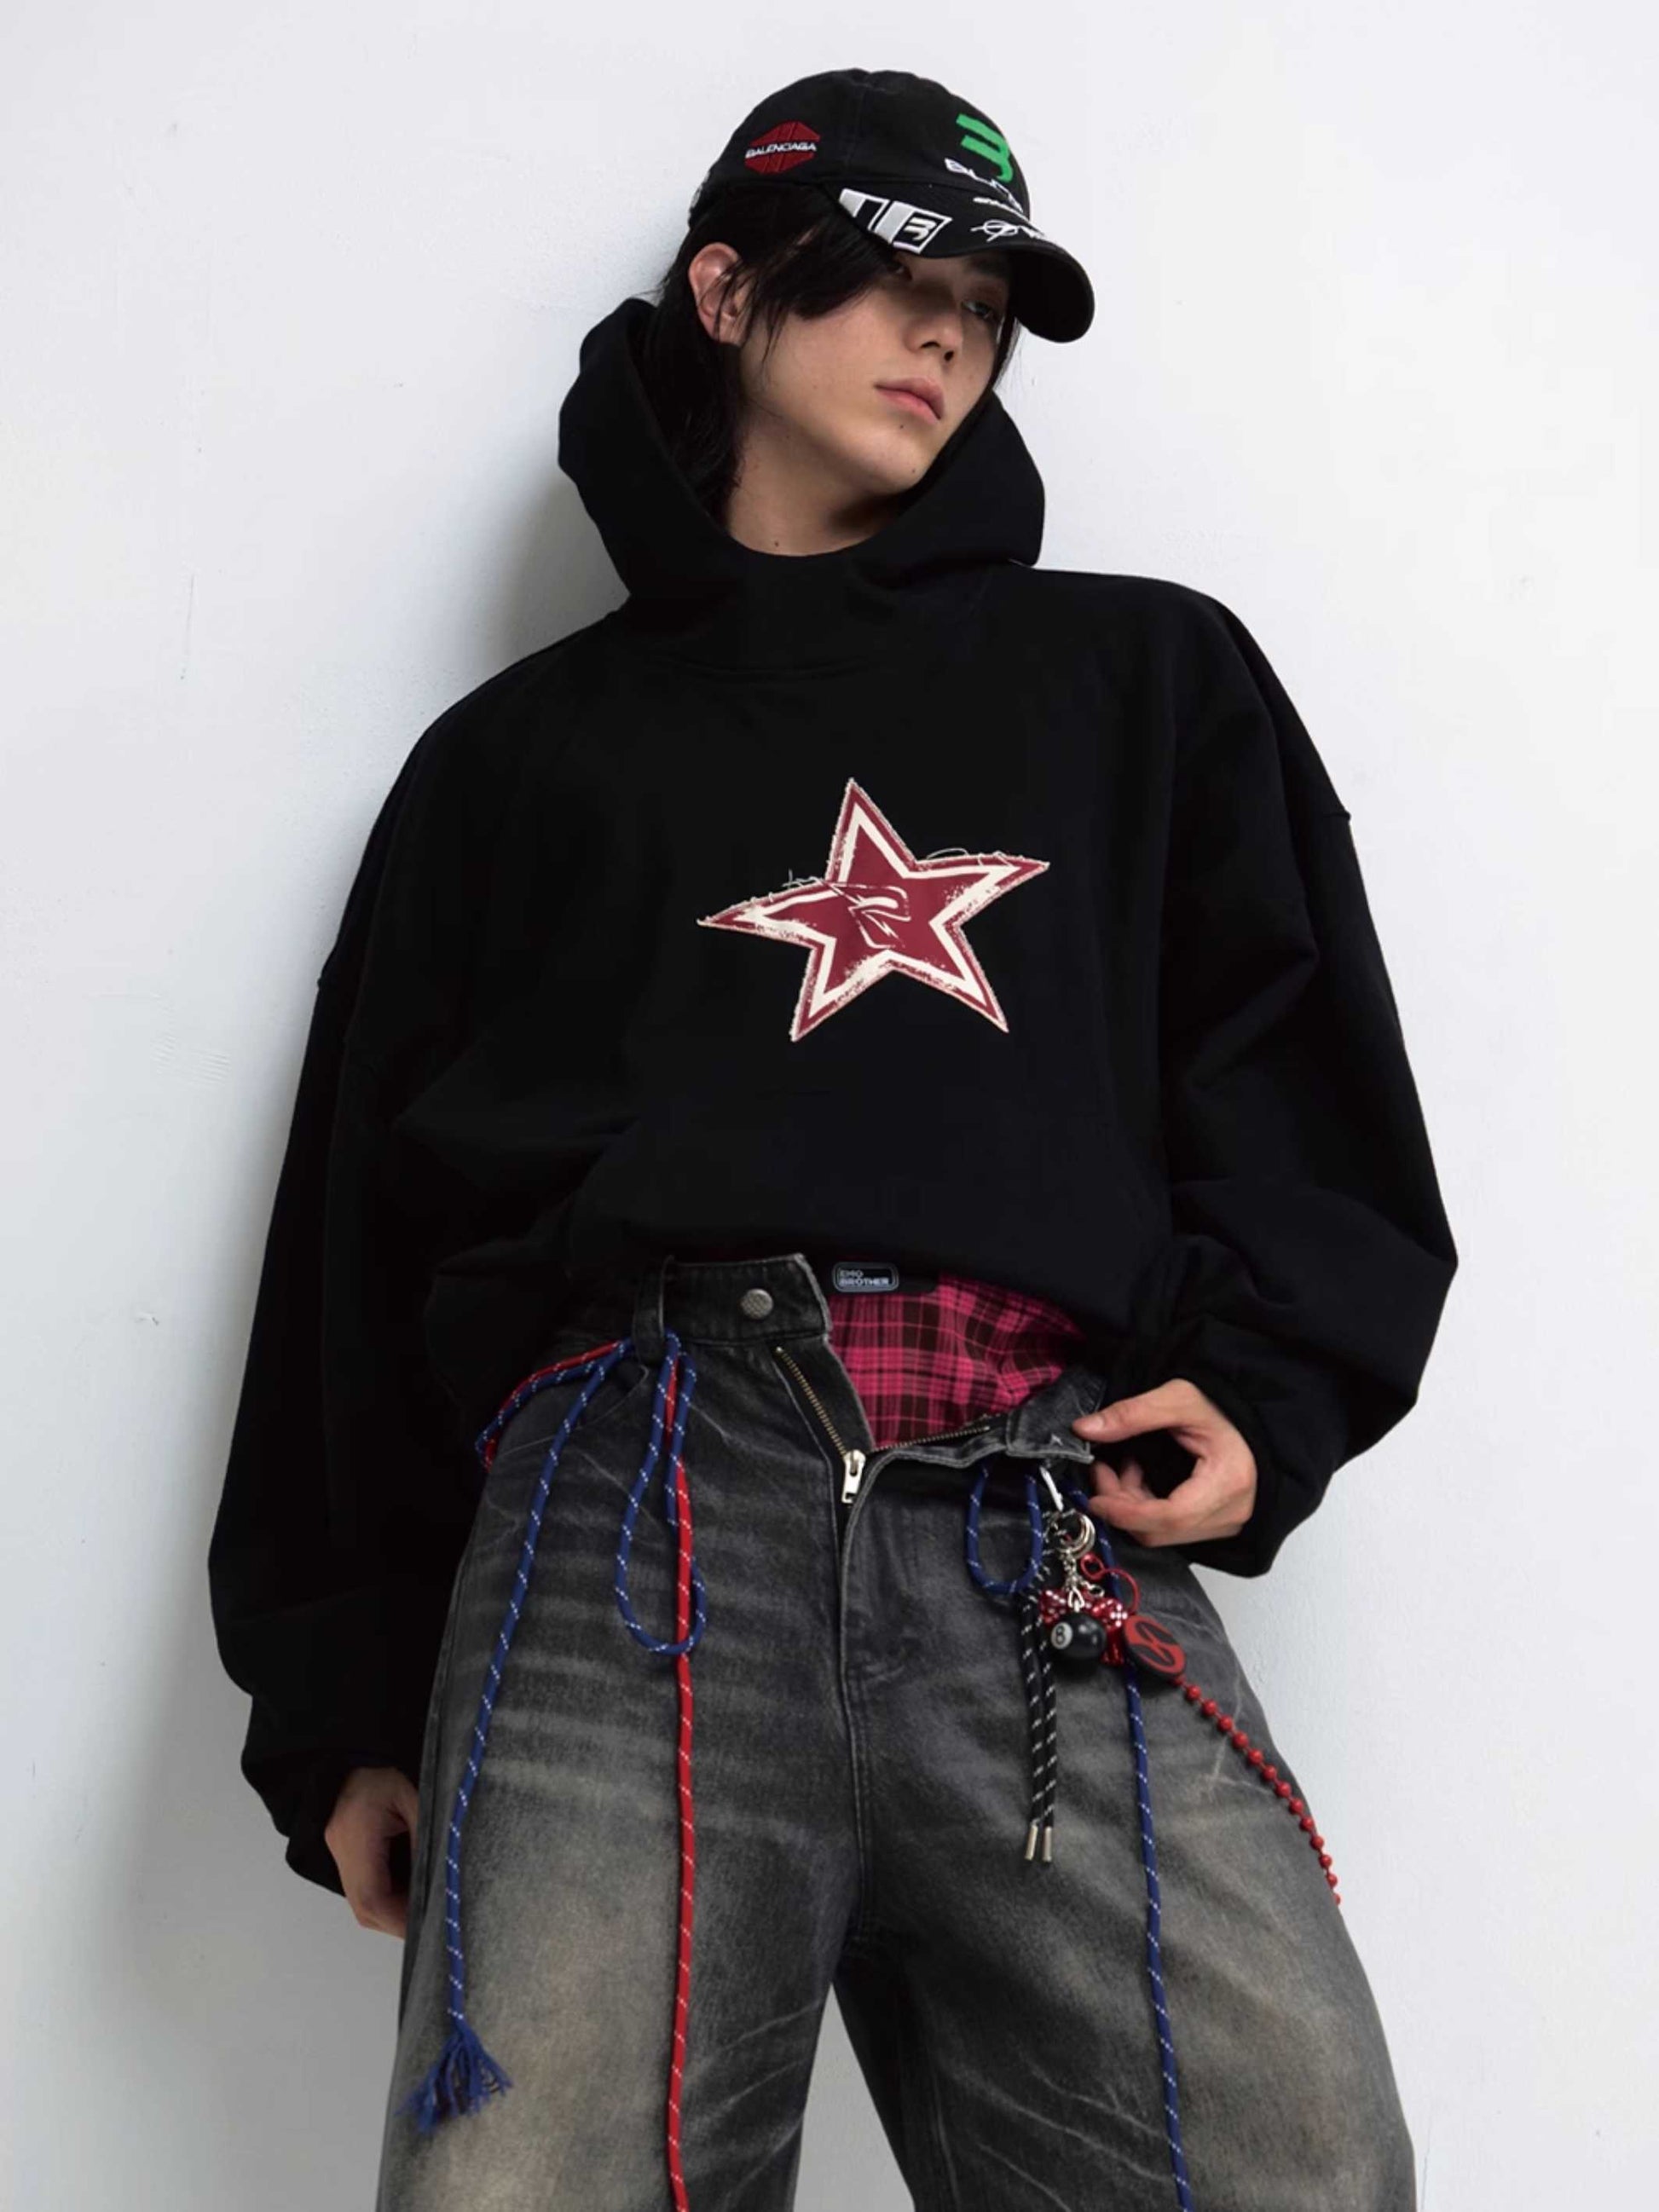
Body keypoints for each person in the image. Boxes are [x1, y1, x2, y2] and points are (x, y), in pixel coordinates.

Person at [208, 65, 1456, 2212]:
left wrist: (1273, 1380)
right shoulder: (516, 760)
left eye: (985, 301)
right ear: (726, 290)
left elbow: (1298, 1064)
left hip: (1037, 1517)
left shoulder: (1144, 680)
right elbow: (358, 1237)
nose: (946, 332)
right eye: (893, 277)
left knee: (1293, 2167)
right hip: (624, 1530)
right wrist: (341, 1697)